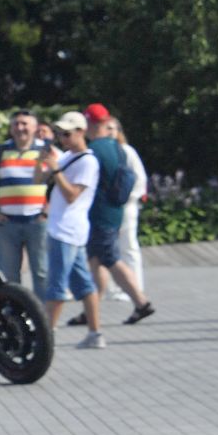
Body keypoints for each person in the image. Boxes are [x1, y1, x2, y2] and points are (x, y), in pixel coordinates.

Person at [82, 105, 155, 325]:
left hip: (100, 214)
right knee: (95, 260)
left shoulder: (95, 149)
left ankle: (141, 302)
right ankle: (91, 308)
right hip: (114, 210)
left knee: (111, 259)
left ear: (90, 125)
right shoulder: (117, 147)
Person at [40, 112, 105, 348]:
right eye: (60, 134)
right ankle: (95, 334)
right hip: (63, 227)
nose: (63, 138)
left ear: (81, 132)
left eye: (67, 134)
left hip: (67, 229)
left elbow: (72, 195)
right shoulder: (68, 156)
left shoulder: (88, 161)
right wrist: (44, 163)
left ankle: (45, 336)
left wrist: (55, 169)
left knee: (56, 284)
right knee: (84, 284)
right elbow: (40, 179)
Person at [0, 110, 49, 297]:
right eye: (16, 124)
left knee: (42, 272)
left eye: (25, 124)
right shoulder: (0, 152)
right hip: (7, 221)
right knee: (9, 274)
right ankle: (16, 317)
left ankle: (44, 319)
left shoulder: (46, 151)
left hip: (37, 220)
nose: (20, 128)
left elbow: (56, 181)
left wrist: (48, 210)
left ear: (35, 127)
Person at [107, 117, 149, 302]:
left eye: (112, 128)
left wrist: (128, 198)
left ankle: (136, 286)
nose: (109, 132)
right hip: (107, 209)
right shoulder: (99, 152)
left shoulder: (126, 151)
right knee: (110, 248)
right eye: (106, 128)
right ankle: (114, 287)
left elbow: (140, 179)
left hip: (126, 206)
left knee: (129, 247)